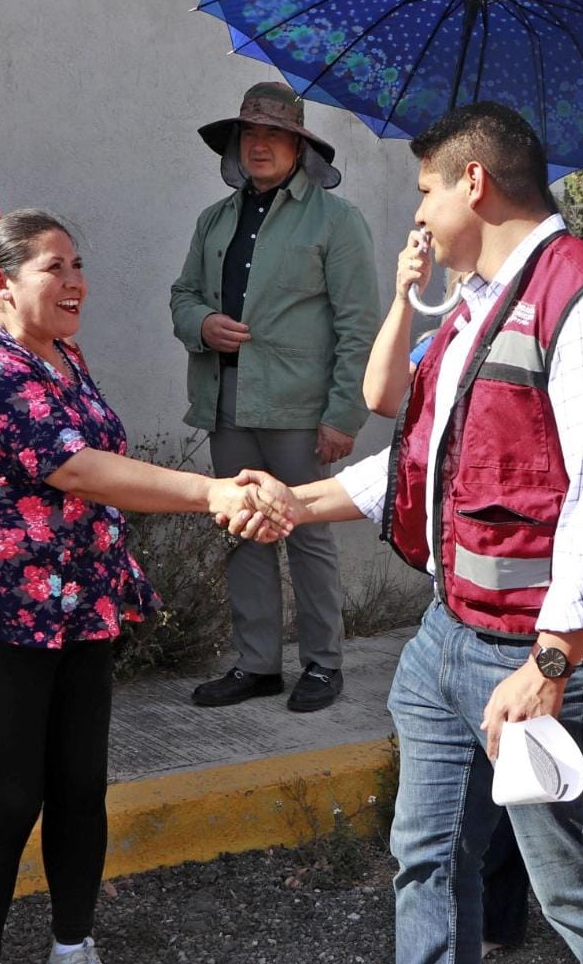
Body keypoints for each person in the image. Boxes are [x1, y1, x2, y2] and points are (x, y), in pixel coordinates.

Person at [246, 101, 583, 963]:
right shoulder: (478, 305)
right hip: (448, 633)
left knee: (576, 885)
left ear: (473, 184)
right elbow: (427, 459)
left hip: (542, 651)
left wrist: (551, 659)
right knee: (426, 860)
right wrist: (296, 501)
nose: (420, 218)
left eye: (425, 194)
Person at [0, 210, 289, 964]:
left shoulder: (60, 353)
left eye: (77, 264)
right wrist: (210, 492)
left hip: (77, 608)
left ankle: (72, 946)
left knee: (80, 789)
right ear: (2, 283)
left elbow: (94, 460)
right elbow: (73, 465)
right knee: (9, 800)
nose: (75, 281)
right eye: (54, 267)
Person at [170, 82, 379, 712]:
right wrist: (201, 323)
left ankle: (322, 664)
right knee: (241, 528)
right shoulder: (215, 219)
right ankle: (257, 664)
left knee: (306, 532)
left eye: (274, 134)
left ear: (298, 146)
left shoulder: (336, 220)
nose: (259, 145)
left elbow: (358, 326)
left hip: (298, 407)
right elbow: (183, 295)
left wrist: (344, 415)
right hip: (226, 398)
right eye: (249, 134)